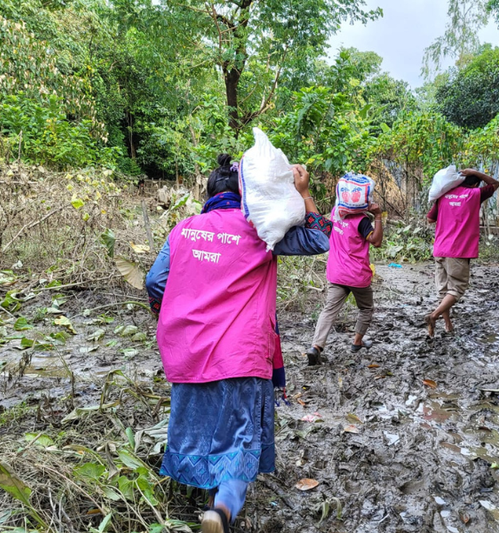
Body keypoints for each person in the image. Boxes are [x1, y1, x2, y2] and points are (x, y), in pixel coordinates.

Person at [145, 155, 330, 533]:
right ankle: (222, 509)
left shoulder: (184, 230)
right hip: (242, 354)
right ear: (247, 193)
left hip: (190, 351)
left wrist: (175, 316)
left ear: (209, 193)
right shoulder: (261, 229)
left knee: (200, 426)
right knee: (241, 433)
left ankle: (203, 495)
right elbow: (320, 236)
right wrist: (304, 192)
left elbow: (155, 283)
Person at [305, 176, 384, 365]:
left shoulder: (335, 213)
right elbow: (377, 242)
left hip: (336, 273)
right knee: (366, 308)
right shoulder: (362, 221)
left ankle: (316, 346)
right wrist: (379, 216)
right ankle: (357, 342)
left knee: (329, 310)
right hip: (357, 275)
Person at [425, 168, 499, 337]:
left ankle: (448, 324)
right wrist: (476, 172)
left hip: (439, 249)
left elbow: (430, 219)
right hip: (458, 250)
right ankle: (433, 316)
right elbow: (495, 184)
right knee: (457, 289)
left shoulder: (443, 195)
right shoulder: (474, 194)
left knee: (444, 291)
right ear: (475, 183)